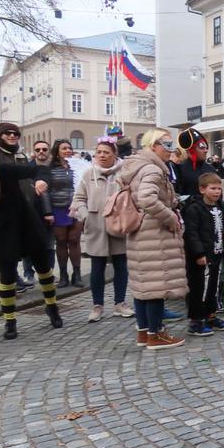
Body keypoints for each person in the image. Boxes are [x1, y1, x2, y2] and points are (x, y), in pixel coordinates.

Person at [0, 147, 62, 339]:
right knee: (7, 278)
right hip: (0, 234)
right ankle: (10, 321)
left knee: (44, 271)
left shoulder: (3, 171)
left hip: (27, 227)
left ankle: (52, 307)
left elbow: (38, 170)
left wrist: (41, 181)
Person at [117, 129, 188, 351]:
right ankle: (155, 334)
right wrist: (170, 217)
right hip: (154, 234)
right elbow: (147, 198)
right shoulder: (152, 169)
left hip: (141, 233)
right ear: (153, 146)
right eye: (167, 145)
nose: (171, 150)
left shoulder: (138, 166)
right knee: (158, 285)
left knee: (143, 286)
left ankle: (144, 331)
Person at [70, 138, 133, 322]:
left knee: (121, 265)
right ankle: (97, 306)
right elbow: (79, 198)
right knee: (97, 268)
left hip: (119, 226)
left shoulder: (125, 172)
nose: (102, 155)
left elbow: (133, 195)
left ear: (114, 154)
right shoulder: (88, 174)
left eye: (106, 152)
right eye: (99, 152)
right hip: (95, 226)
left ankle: (120, 303)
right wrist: (85, 216)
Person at [182, 172, 224, 337]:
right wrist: (199, 253)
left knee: (213, 287)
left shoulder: (220, 206)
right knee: (199, 289)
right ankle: (196, 320)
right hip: (202, 257)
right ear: (202, 189)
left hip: (217, 253)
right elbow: (191, 233)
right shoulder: (194, 208)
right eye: (213, 188)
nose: (217, 192)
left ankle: (211, 315)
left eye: (219, 188)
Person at [47, 140, 84, 287]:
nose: (68, 150)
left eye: (69, 148)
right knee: (61, 241)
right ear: (57, 151)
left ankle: (77, 274)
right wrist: (48, 211)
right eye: (64, 148)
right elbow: (46, 191)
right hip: (58, 208)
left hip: (77, 208)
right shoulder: (49, 169)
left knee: (74, 240)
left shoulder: (78, 166)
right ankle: (63, 275)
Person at [22, 138, 53, 286]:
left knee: (48, 245)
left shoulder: (54, 167)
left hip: (50, 213)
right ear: (34, 152)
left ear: (49, 151)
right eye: (38, 150)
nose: (41, 152)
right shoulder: (27, 168)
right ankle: (29, 274)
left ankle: (49, 272)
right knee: (28, 245)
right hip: (30, 212)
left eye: (44, 149)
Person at [174, 128, 216, 196]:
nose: (206, 150)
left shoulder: (211, 169)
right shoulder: (180, 169)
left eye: (206, 147)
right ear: (191, 151)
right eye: (201, 148)